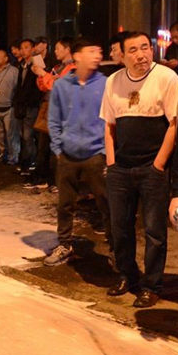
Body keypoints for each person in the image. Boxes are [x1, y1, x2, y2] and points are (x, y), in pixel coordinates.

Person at [101, 31, 178, 308]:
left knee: (154, 231)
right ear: (122, 56)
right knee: (119, 228)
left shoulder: (167, 78)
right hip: (120, 169)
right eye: (133, 50)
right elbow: (109, 125)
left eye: (145, 47)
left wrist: (159, 166)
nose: (141, 54)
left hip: (152, 170)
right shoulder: (113, 81)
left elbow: (174, 125)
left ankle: (152, 285)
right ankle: (127, 275)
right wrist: (111, 163)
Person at [43, 37, 110, 266]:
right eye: (93, 50)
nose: (98, 55)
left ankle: (115, 246)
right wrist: (58, 149)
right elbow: (53, 120)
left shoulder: (105, 83)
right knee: (65, 203)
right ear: (78, 56)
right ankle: (65, 244)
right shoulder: (62, 85)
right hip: (67, 155)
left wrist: (106, 152)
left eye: (99, 51)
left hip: (96, 154)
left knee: (105, 201)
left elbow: (111, 120)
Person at [30, 37, 75, 190]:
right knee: (44, 146)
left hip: (62, 112)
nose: (55, 51)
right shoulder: (58, 67)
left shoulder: (73, 68)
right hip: (50, 108)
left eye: (57, 48)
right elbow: (45, 86)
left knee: (56, 147)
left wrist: (44, 74)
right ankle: (45, 179)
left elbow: (59, 86)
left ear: (67, 49)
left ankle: (56, 181)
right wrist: (41, 75)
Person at [14, 38, 43, 177]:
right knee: (23, 135)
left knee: (28, 135)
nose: (23, 50)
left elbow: (41, 84)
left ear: (32, 48)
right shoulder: (22, 65)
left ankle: (30, 162)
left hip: (32, 105)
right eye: (22, 48)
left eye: (26, 47)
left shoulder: (37, 62)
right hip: (22, 105)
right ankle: (25, 161)